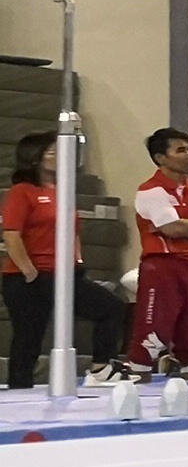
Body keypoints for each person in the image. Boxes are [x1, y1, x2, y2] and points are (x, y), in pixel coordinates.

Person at [5, 131, 124, 390]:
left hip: (63, 274)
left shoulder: (63, 192)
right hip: (30, 277)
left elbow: (73, 232)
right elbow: (12, 235)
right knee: (29, 335)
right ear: (35, 158)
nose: (59, 156)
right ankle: (18, 388)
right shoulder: (22, 192)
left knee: (111, 307)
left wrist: (76, 264)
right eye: (52, 152)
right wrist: (29, 272)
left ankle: (100, 369)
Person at [128, 126, 188, 377]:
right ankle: (139, 371)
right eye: (181, 150)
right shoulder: (150, 191)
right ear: (161, 158)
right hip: (161, 265)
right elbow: (173, 228)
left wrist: (181, 227)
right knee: (155, 325)